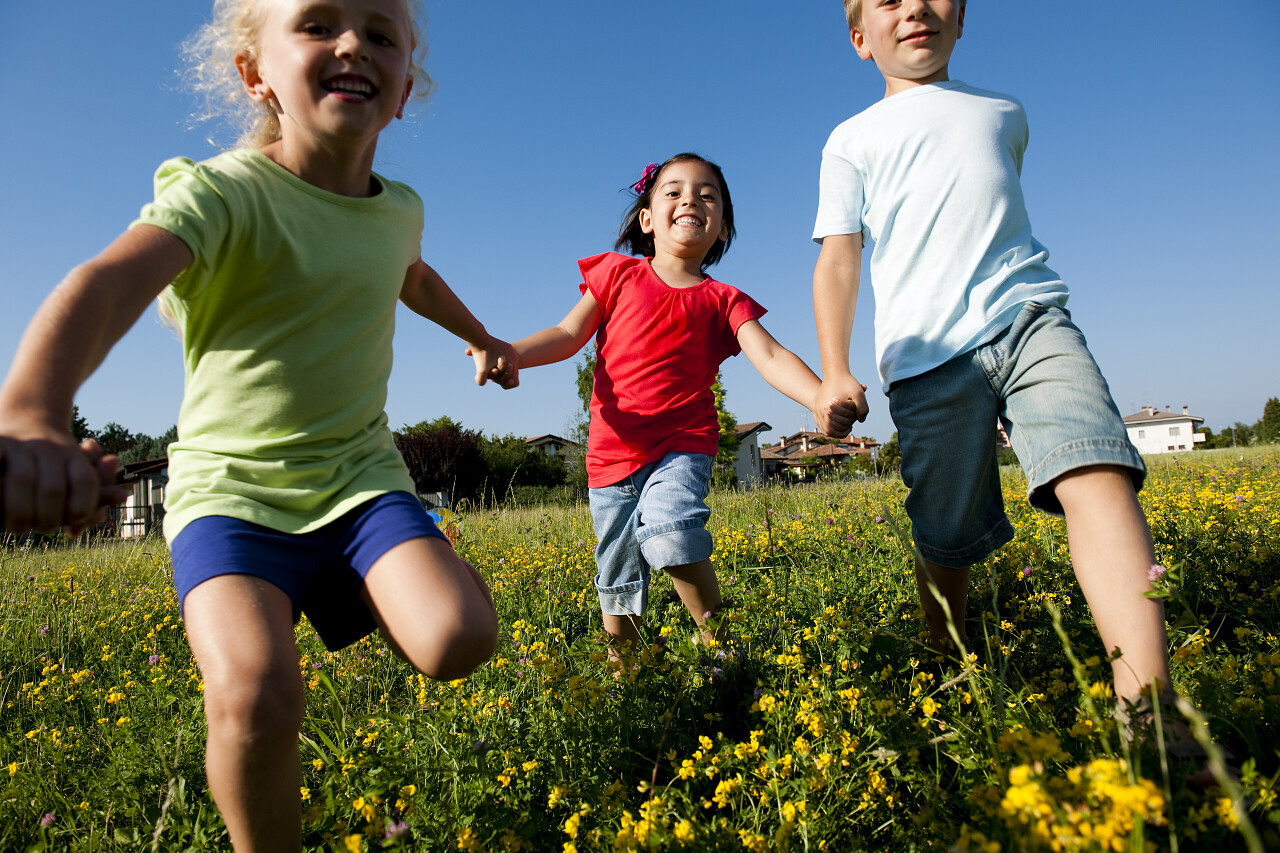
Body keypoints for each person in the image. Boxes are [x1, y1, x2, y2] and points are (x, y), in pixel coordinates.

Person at [0, 0, 512, 848]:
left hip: (360, 479)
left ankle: (421, 550)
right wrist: (30, 411)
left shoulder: (400, 207)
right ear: (255, 73)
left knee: (458, 637)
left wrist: (480, 336)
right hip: (231, 494)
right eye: (318, 24)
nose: (353, 42)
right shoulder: (223, 193)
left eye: (381, 33)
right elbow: (106, 284)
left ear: (401, 92)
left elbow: (410, 275)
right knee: (253, 693)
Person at [810, 0, 1184, 735]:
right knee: (946, 532)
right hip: (925, 359)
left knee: (1095, 466)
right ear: (859, 38)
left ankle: (1150, 710)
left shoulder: (1003, 111)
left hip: (1031, 316)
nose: (915, 6)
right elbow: (839, 259)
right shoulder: (850, 140)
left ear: (961, 16)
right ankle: (946, 661)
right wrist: (833, 368)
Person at [508, 153, 858, 661]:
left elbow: (772, 354)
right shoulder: (616, 276)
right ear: (647, 219)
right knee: (618, 574)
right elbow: (566, 335)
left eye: (707, 193)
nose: (690, 198)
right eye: (672, 191)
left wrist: (819, 394)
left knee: (672, 530)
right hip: (610, 457)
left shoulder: (723, 299)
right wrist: (511, 354)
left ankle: (722, 646)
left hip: (681, 447)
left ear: (721, 229)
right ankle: (627, 671)